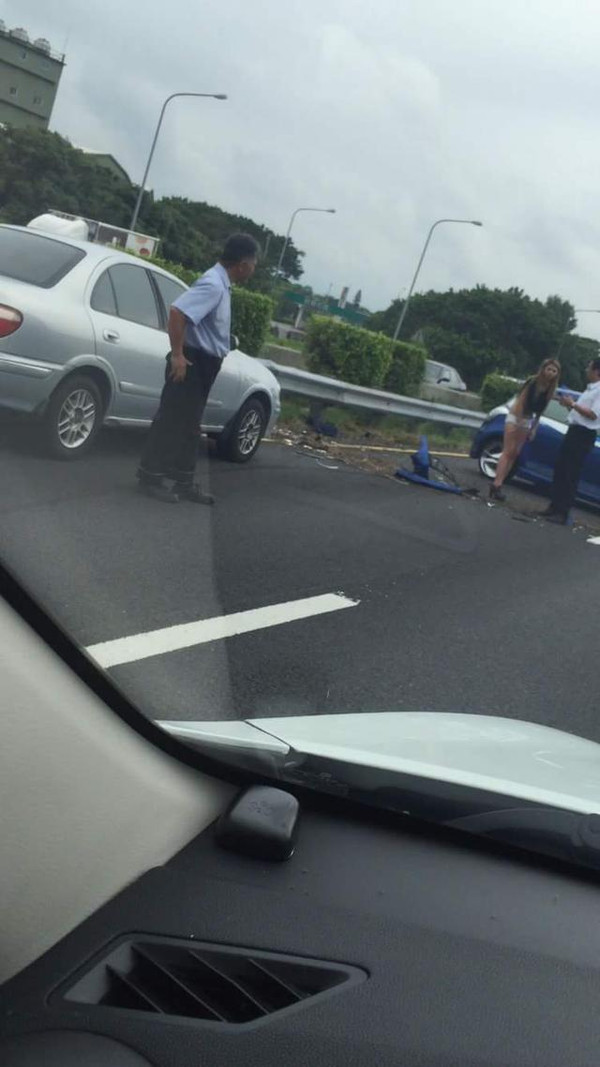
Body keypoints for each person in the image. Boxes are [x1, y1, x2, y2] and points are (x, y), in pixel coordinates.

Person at [137, 233, 259, 504]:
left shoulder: (222, 285)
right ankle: (150, 478)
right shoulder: (214, 284)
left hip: (205, 365)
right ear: (242, 263)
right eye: (254, 263)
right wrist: (178, 356)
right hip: (192, 361)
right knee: (172, 422)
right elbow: (178, 312)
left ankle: (182, 481)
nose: (254, 269)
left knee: (189, 427)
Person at [489, 358, 561, 501]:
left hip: (528, 419)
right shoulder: (533, 381)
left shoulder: (550, 389)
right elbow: (521, 400)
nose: (550, 373)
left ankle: (500, 482)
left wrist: (533, 427)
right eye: (549, 369)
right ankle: (496, 484)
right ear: (543, 369)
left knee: (515, 453)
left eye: (554, 371)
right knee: (508, 451)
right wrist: (520, 418)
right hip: (516, 416)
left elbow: (540, 411)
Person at [541, 358, 600, 525]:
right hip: (574, 431)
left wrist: (572, 404)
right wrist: (568, 405)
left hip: (583, 434)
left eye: (589, 367)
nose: (586, 369)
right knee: (561, 468)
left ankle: (562, 512)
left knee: (570, 473)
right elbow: (579, 413)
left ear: (597, 371)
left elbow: (593, 414)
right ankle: (553, 506)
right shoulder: (589, 390)